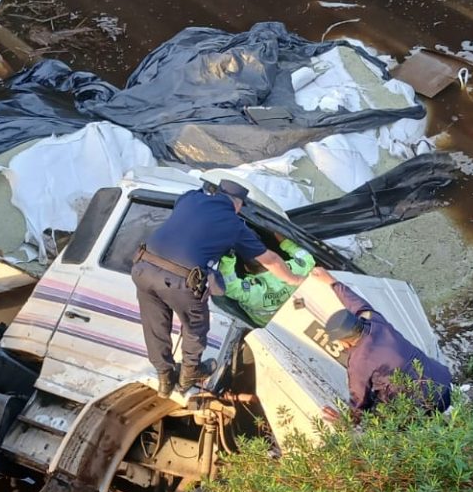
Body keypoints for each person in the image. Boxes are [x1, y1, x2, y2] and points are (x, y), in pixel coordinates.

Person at [131, 179, 302, 395]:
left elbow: (188, 220)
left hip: (143, 268)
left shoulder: (191, 198)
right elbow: (269, 260)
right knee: (195, 327)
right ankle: (189, 372)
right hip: (179, 281)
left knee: (154, 325)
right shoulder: (233, 224)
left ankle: (164, 379)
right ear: (238, 204)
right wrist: (295, 280)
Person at [312, 266, 452, 421]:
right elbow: (356, 302)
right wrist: (332, 281)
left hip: (423, 409)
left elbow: (359, 402)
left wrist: (345, 420)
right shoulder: (374, 320)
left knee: (375, 411)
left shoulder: (359, 362)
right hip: (443, 385)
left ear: (344, 341)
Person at [217, 237, 316, 326]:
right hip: (302, 317)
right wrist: (282, 237)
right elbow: (307, 258)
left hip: (274, 327)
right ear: (274, 255)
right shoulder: (296, 269)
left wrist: (228, 257)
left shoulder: (249, 292)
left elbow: (228, 283)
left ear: (246, 268)